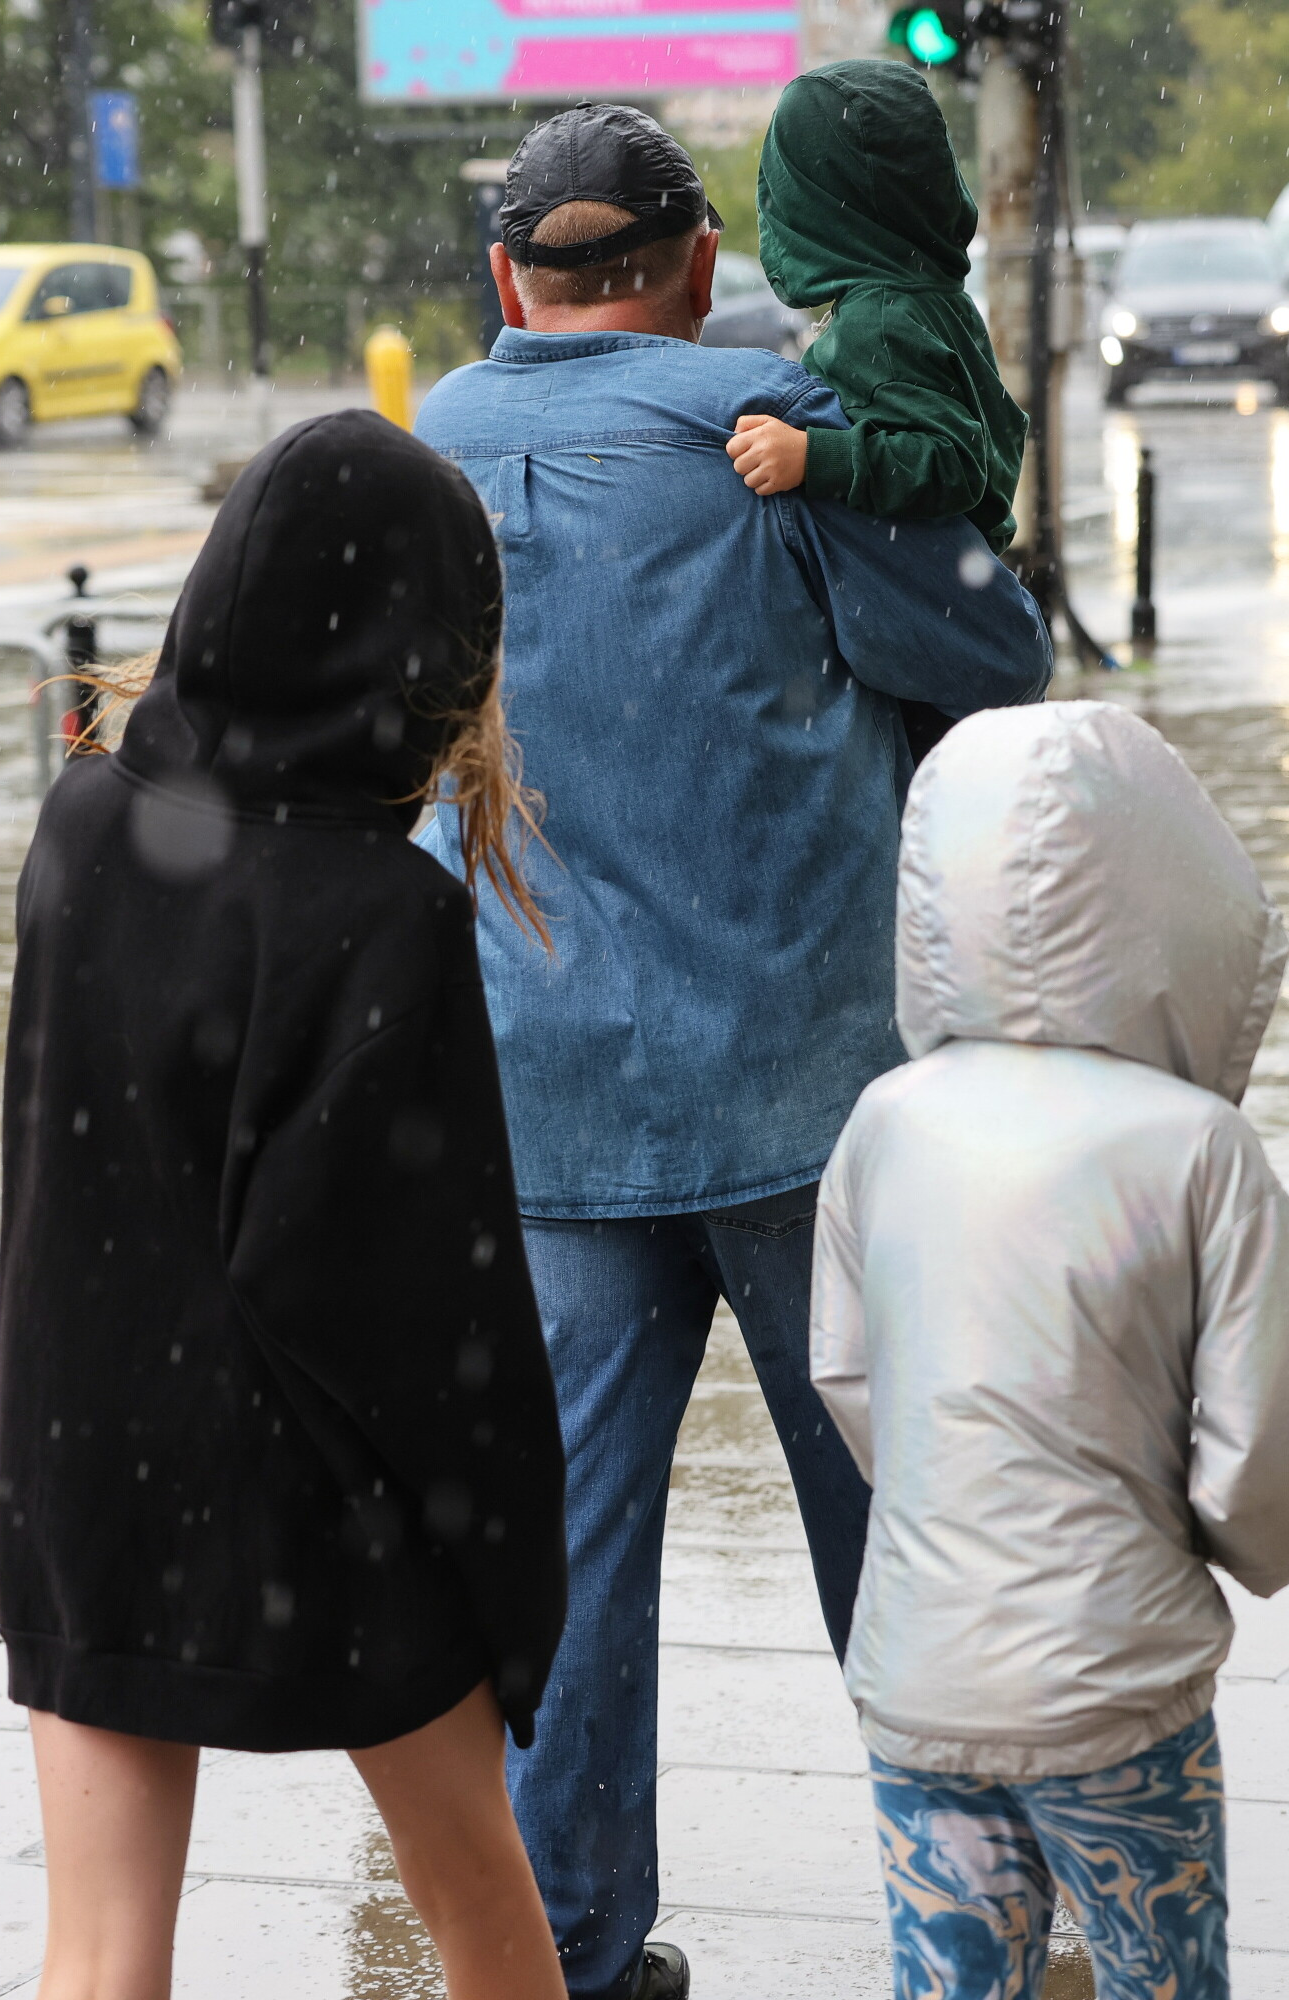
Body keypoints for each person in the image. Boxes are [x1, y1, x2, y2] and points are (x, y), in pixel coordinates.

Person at [411, 103, 1055, 2000]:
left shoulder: (421, 459)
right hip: (805, 1101)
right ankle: (972, 1924)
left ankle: (571, 1948)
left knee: (570, 1549)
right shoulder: (771, 433)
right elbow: (996, 656)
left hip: (540, 1107)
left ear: (504, 277)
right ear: (704, 268)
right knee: (899, 1527)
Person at [0, 411, 568, 2000]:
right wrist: (508, 1556)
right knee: (481, 1906)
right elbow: (416, 1294)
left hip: (91, 1458)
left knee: (98, 1953)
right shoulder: (386, 915)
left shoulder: (82, 824)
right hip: (324, 1494)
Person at [810, 702, 1289, 2000]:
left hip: (921, 1673)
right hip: (1116, 1681)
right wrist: (1221, 1541)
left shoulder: (885, 1122)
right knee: (1160, 1970)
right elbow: (1278, 1416)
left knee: (950, 1978)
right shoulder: (1194, 1147)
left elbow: (851, 1372)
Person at [721, 58, 1026, 553]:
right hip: (960, 574)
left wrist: (812, 456)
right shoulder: (931, 293)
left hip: (920, 583)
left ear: (815, 199)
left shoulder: (879, 319)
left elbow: (955, 464)